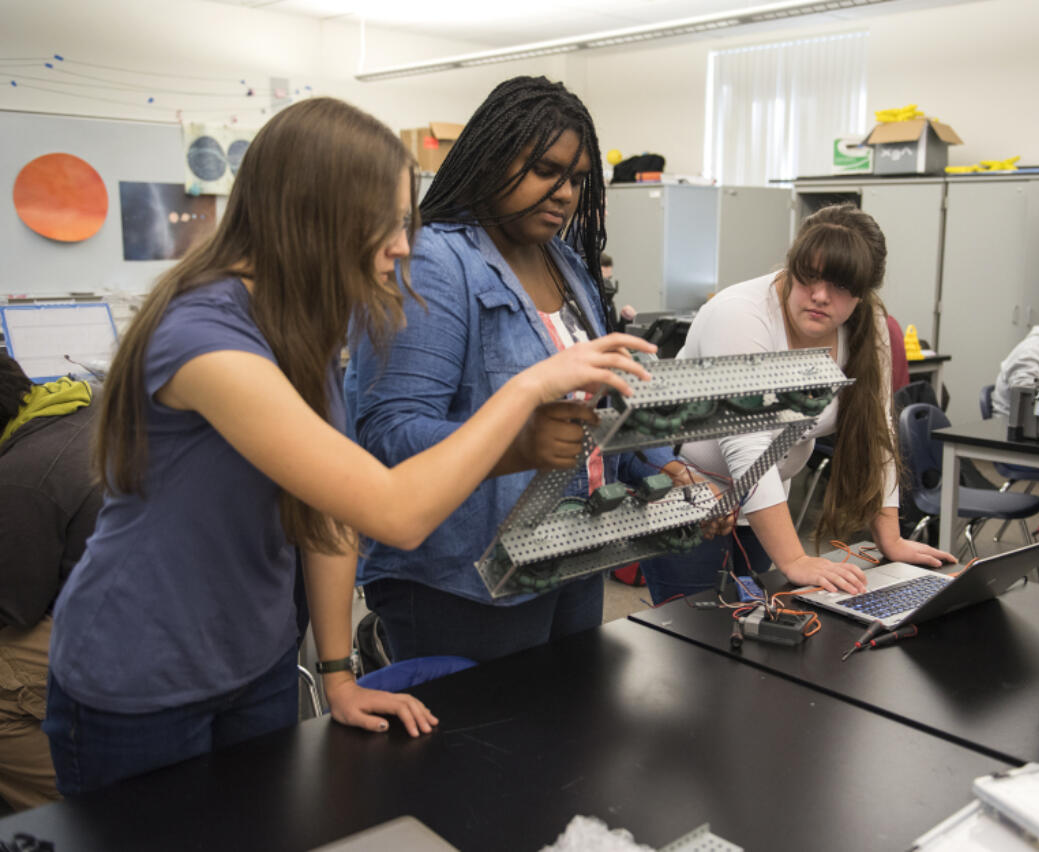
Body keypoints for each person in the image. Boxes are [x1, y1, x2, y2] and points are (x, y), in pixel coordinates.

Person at [43, 96, 656, 797]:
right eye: (391, 223)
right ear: (317, 211)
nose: (403, 246)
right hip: (140, 673)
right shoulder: (203, 340)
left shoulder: (298, 329)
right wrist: (525, 390)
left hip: (256, 662)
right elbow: (391, 511)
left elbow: (329, 514)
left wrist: (337, 672)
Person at [345, 76, 696, 664]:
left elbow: (592, 417)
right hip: (462, 579)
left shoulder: (566, 264)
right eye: (543, 169)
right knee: (482, 748)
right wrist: (517, 439)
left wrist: (665, 463)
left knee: (564, 735)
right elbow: (390, 436)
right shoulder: (434, 262)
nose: (563, 193)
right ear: (489, 160)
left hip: (574, 551)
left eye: (577, 179)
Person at [640, 203, 955, 604]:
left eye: (841, 286)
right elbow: (747, 444)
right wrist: (794, 559)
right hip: (687, 491)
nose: (820, 297)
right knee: (690, 630)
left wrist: (890, 537)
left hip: (764, 499)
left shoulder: (866, 322)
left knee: (752, 620)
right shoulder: (741, 315)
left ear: (862, 293)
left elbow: (877, 430)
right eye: (808, 276)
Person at [0, 355, 101, 810]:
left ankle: (73, 815)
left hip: (119, 646)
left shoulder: (21, 478)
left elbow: (12, 609)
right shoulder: (84, 401)